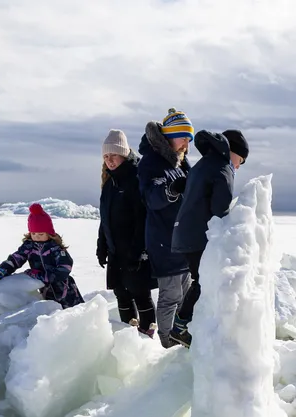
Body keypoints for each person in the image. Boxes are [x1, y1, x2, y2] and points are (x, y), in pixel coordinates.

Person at [168, 129, 249, 347]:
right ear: (232, 152)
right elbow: (219, 210)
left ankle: (186, 324)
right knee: (204, 281)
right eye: (240, 160)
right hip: (196, 235)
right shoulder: (222, 168)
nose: (239, 166)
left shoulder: (204, 164)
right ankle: (181, 327)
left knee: (201, 279)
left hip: (184, 232)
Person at [137, 109, 194, 347]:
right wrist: (170, 191)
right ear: (170, 135)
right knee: (170, 297)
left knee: (185, 294)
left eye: (188, 138)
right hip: (164, 241)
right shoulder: (151, 162)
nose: (186, 142)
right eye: (182, 136)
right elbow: (150, 197)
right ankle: (166, 343)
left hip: (183, 241)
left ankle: (181, 336)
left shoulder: (181, 161)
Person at [96, 129, 157, 337]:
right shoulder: (109, 182)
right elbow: (105, 217)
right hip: (116, 250)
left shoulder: (136, 178)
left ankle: (147, 334)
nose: (110, 160)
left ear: (123, 153)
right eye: (106, 156)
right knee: (121, 293)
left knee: (139, 293)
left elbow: (143, 219)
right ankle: (128, 334)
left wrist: (137, 252)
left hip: (133, 250)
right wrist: (102, 246)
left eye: (113, 155)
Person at [0, 203, 84, 309]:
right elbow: (16, 259)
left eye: (41, 234)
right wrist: (2, 271)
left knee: (73, 313)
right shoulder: (29, 246)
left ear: (49, 233)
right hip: (45, 289)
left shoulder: (56, 249)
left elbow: (64, 269)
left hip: (66, 291)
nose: (37, 237)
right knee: (52, 314)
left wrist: (40, 276)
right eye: (33, 234)